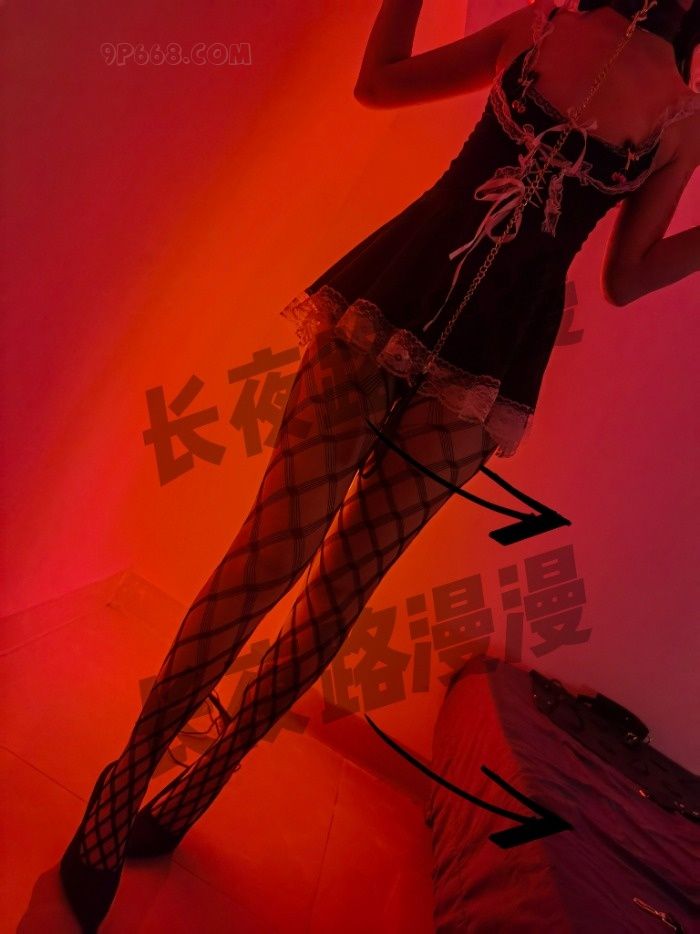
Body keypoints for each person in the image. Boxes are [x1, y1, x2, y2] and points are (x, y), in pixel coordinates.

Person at [60, 0, 700, 929]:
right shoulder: (542, 24)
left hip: (489, 366)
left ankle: (204, 780)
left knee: (337, 600)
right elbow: (379, 85)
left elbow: (627, 275)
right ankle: (123, 785)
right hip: (389, 296)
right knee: (266, 559)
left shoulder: (682, 117)